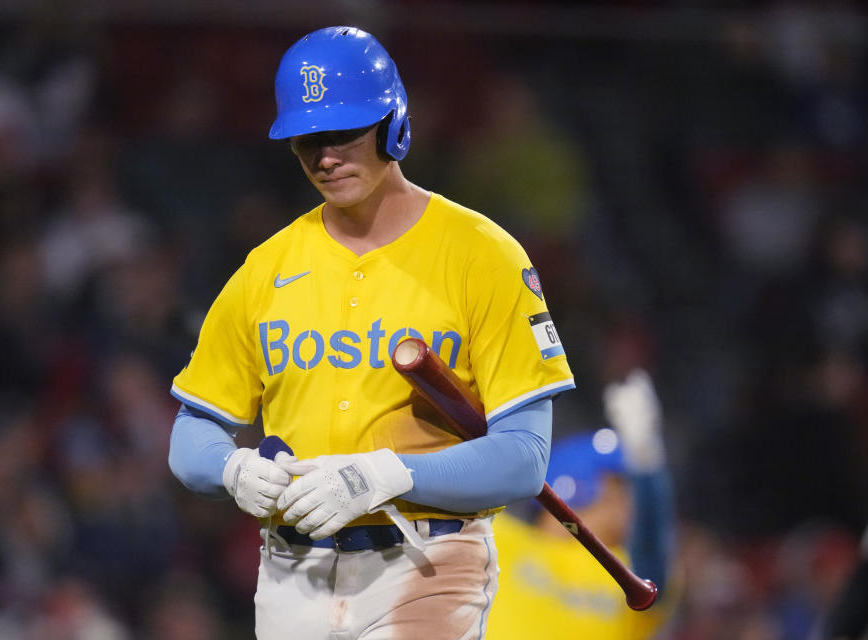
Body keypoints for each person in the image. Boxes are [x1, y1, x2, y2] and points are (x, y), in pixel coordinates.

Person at [166, 26, 575, 640]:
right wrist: (233, 471)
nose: (325, 156)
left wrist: (387, 474)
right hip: (290, 573)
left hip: (426, 562)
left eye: (343, 133)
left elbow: (523, 458)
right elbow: (191, 433)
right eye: (308, 139)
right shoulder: (267, 269)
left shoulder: (482, 256)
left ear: (394, 124)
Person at [486, 369, 676, 640]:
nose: (629, 507)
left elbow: (652, 551)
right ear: (577, 488)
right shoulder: (500, 539)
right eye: (620, 490)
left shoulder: (625, 570)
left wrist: (648, 468)